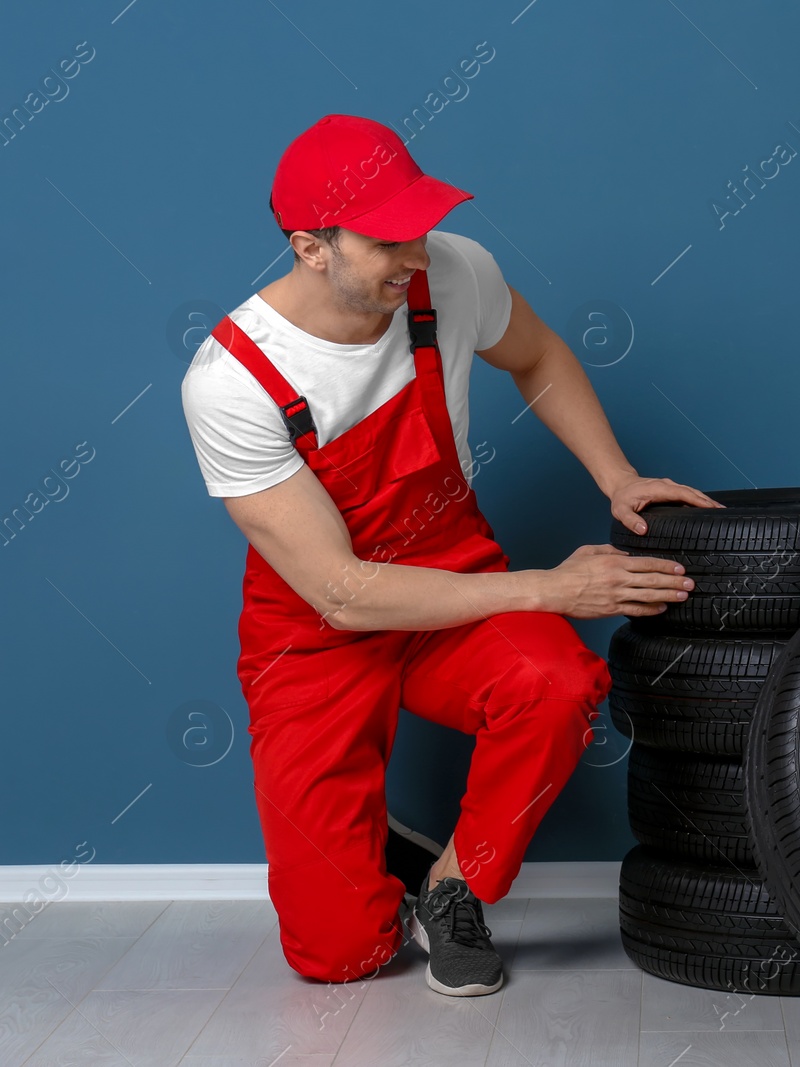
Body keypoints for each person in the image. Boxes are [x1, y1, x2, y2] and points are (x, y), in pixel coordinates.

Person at [179, 113, 723, 997]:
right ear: (312, 246)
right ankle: (372, 853)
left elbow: (538, 352)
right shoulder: (232, 378)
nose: (416, 254)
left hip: (452, 574)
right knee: (338, 957)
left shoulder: (450, 275)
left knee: (555, 686)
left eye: (421, 226)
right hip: (317, 627)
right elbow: (344, 592)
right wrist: (553, 587)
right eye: (390, 238)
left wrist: (616, 477)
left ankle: (453, 886)